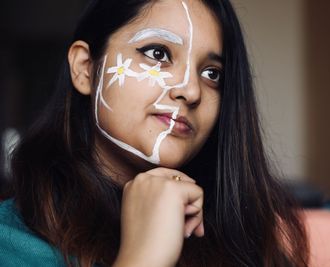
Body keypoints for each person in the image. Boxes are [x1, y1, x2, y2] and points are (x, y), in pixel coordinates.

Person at [0, 0, 309, 266]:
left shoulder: (245, 240)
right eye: (158, 53)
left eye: (212, 73)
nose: (190, 90)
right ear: (85, 69)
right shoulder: (10, 242)